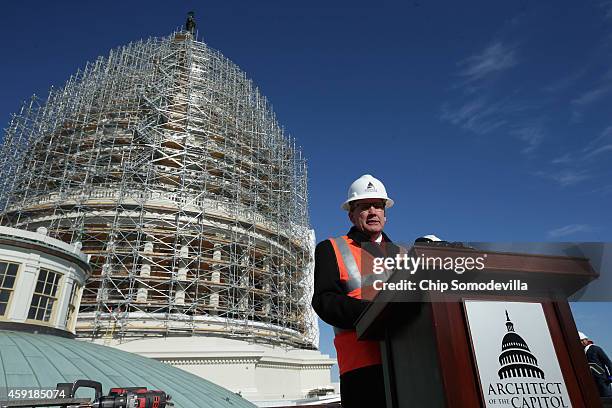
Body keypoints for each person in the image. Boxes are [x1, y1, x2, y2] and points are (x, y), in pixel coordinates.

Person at [311, 174, 397, 407]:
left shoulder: (402, 255)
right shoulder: (331, 248)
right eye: (364, 206)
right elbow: (324, 301)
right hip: (361, 368)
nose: (372, 211)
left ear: (385, 215)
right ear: (351, 214)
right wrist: (374, 314)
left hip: (406, 360)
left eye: (378, 206)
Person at [579, 331, 612, 397]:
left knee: (607, 398)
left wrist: (611, 376)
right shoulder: (580, 352)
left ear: (587, 340)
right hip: (591, 380)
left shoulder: (596, 349)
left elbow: (608, 362)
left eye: (583, 340)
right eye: (580, 341)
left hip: (603, 379)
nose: (582, 342)